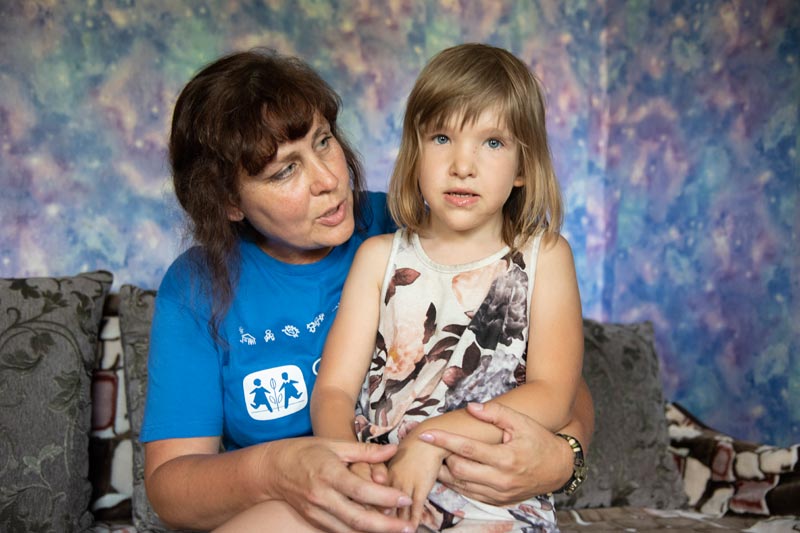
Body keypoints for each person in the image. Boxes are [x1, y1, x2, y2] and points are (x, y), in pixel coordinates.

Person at [141, 47, 594, 532]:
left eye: (322, 142)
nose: (329, 180)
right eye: (284, 170)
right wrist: (281, 469)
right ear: (229, 201)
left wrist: (564, 457)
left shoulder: (419, 222)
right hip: (337, 494)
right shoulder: (198, 286)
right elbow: (172, 487)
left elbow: (549, 376)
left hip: (452, 483)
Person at [311, 43, 583, 532]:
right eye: (441, 138)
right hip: (378, 481)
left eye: (492, 143)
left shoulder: (546, 257)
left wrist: (430, 439)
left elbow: (553, 394)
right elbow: (333, 390)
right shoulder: (379, 258)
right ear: (415, 153)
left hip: (486, 492)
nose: (463, 164)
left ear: (523, 167)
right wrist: (352, 465)